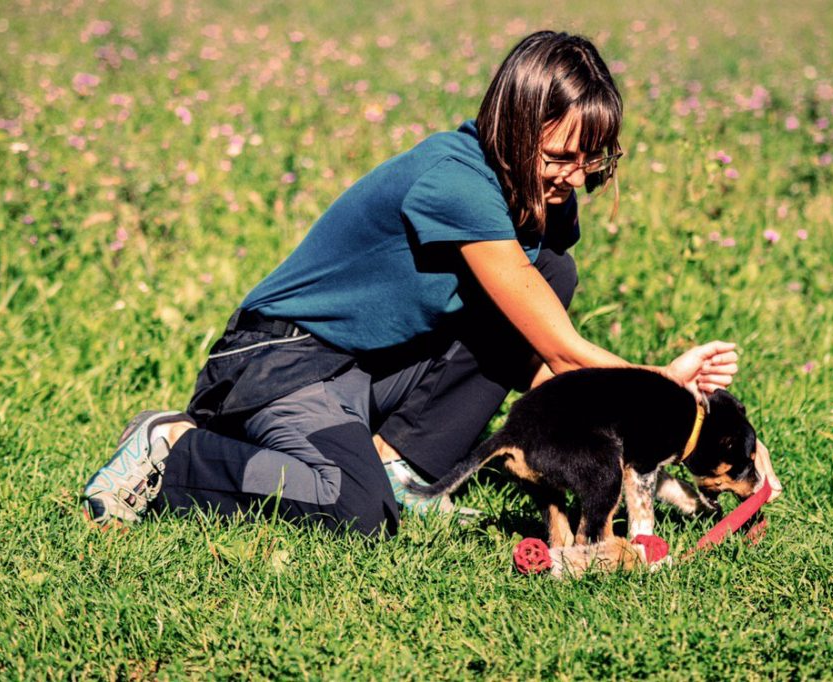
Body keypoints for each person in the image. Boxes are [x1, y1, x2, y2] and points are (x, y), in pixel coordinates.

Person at [81, 30, 758, 540]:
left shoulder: (542, 203)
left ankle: (402, 468)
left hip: (369, 370)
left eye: (591, 161)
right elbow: (569, 350)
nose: (575, 178)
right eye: (559, 157)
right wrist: (668, 394)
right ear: (515, 128)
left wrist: (645, 443)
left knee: (554, 270)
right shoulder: (456, 180)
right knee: (355, 510)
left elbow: (546, 366)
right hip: (280, 362)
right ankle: (176, 448)